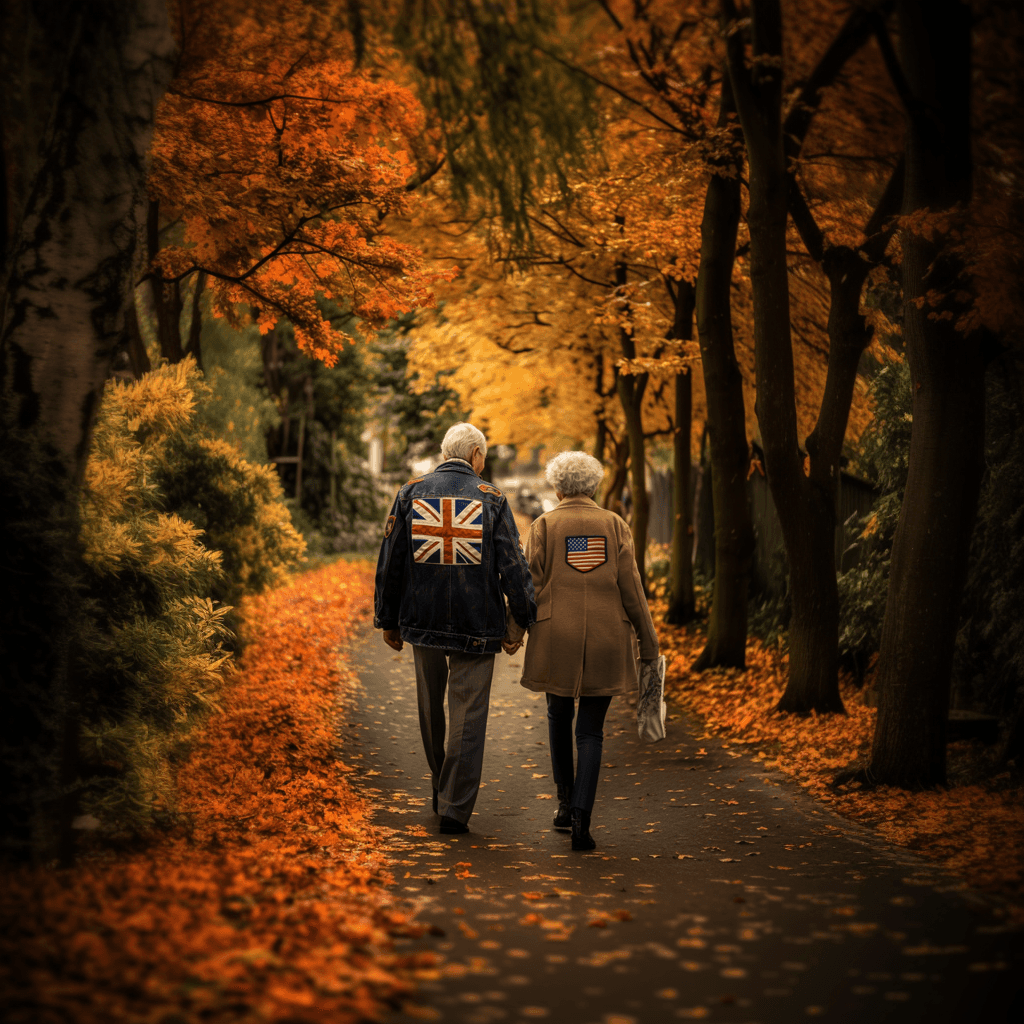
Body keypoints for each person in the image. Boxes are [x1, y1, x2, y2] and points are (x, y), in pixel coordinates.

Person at [374, 422, 536, 835]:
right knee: (469, 714)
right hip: (477, 621)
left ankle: (439, 785)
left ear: (447, 452)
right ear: (476, 455)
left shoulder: (410, 492)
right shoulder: (493, 499)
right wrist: (520, 620)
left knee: (430, 708)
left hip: (421, 617)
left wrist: (387, 619)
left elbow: (391, 559)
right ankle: (454, 807)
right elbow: (513, 565)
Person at [519, 451, 659, 851]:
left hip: (554, 638)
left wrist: (512, 633)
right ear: (594, 485)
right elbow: (632, 588)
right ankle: (582, 818)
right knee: (591, 732)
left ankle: (563, 804)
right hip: (606, 639)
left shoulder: (545, 524)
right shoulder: (615, 525)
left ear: (557, 487)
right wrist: (648, 644)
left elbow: (529, 585)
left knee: (558, 717)